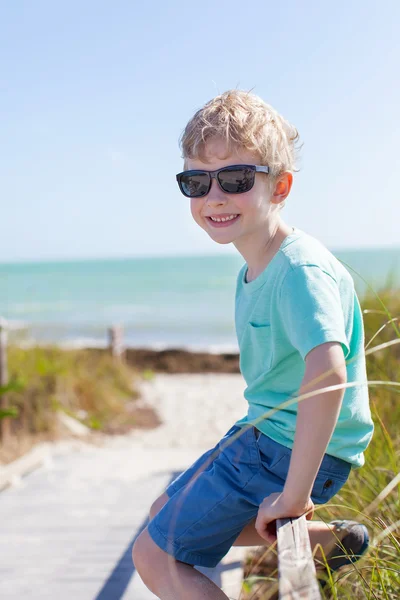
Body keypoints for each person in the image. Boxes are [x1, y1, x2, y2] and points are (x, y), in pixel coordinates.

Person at [132, 90, 374, 600]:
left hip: (288, 446)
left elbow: (330, 374)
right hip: (269, 434)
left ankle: (300, 526)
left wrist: (294, 495)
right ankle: (326, 542)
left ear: (280, 186)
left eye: (236, 179)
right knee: (162, 513)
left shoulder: (297, 270)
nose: (214, 197)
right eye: (196, 182)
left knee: (154, 554)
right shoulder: (257, 266)